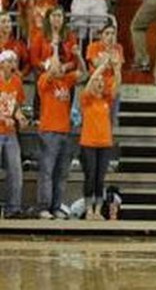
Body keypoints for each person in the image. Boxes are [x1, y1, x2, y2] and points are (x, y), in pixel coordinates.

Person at [35, 36, 84, 218]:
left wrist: (78, 56)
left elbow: (83, 73)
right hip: (49, 132)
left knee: (61, 173)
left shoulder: (65, 82)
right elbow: (53, 67)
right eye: (56, 64)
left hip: (65, 132)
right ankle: (43, 208)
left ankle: (56, 206)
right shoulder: (43, 82)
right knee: (47, 171)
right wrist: (55, 48)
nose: (60, 67)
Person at [79, 55, 121, 220]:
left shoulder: (106, 100)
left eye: (102, 82)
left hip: (104, 143)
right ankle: (89, 209)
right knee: (90, 176)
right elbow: (89, 85)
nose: (100, 83)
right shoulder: (87, 99)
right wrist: (103, 66)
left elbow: (117, 84)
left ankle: (98, 210)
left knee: (100, 178)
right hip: (89, 143)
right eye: (97, 81)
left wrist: (116, 68)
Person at [0, 49, 25, 218]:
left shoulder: (17, 82)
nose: (12, 64)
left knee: (16, 170)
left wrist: (20, 116)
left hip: (10, 132)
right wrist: (3, 118)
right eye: (9, 61)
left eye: (14, 61)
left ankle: (13, 208)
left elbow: (15, 105)